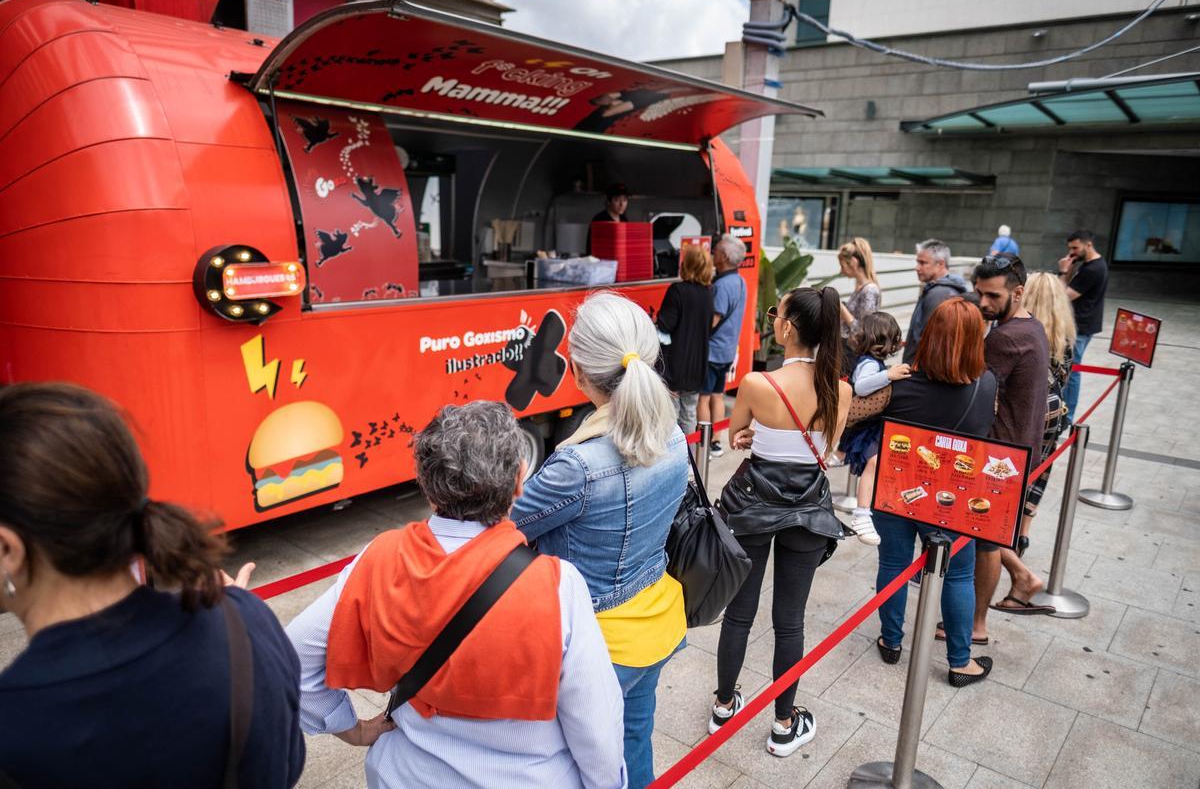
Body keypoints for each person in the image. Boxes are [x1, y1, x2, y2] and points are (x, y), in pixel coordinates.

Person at [287, 401, 626, 789]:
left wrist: (352, 728)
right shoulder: (557, 585)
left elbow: (290, 658)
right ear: (519, 480)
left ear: (428, 488)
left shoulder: (379, 559)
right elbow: (596, 722)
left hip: (405, 776)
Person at [0, 382, 304, 788]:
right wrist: (240, 611)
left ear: (7, 549)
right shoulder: (244, 620)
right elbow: (288, 760)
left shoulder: (16, 727)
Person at [513, 292, 687, 789]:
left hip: (592, 642)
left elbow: (505, 527)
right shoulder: (672, 431)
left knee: (573, 767)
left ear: (577, 372)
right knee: (635, 743)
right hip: (656, 618)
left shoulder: (576, 466)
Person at [708, 287, 850, 757]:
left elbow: (737, 437)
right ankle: (784, 724)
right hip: (809, 511)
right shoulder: (840, 389)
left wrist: (754, 435)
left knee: (740, 613)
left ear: (788, 328)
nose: (773, 320)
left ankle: (724, 707)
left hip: (753, 506)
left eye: (776, 314)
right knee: (790, 621)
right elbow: (826, 452)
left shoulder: (756, 384)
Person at [872, 299, 997, 687]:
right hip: (955, 497)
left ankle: (891, 642)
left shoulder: (901, 385)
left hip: (897, 489)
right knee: (958, 575)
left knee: (893, 562)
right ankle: (960, 662)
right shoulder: (986, 384)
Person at [971, 255, 1052, 640]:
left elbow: (972, 386)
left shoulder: (1004, 338)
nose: (983, 303)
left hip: (1001, 455)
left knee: (984, 539)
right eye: (979, 293)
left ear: (1018, 293)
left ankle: (976, 626)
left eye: (992, 295)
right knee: (984, 531)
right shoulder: (1030, 325)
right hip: (1019, 447)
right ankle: (1023, 577)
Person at [838, 311, 911, 545]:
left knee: (872, 463)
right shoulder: (869, 363)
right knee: (873, 463)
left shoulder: (871, 362)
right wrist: (888, 374)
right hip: (864, 427)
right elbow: (861, 386)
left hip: (865, 426)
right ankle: (861, 514)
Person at [1016, 272, 1075, 554]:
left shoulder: (1021, 332)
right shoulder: (1064, 336)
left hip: (1025, 411)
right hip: (1054, 411)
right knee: (1039, 470)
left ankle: (1005, 527)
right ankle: (1023, 533)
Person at [699, 234, 748, 457]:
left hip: (712, 352)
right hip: (728, 350)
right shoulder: (740, 281)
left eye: (716, 250)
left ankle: (702, 442)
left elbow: (712, 321)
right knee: (718, 396)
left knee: (703, 398)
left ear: (724, 256)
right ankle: (716, 442)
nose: (713, 253)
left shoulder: (721, 285)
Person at [657, 243, 715, 433]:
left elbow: (666, 325)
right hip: (697, 365)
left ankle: (673, 457)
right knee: (689, 414)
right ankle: (687, 457)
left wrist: (654, 320)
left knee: (670, 415)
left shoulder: (677, 291)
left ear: (687, 265)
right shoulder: (708, 293)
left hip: (674, 366)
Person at [1058, 230, 1109, 424]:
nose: (1071, 252)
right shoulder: (1090, 264)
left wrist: (1063, 271)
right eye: (1070, 248)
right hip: (1083, 323)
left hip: (1080, 326)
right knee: (1070, 368)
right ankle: (1066, 410)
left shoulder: (1092, 269)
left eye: (1075, 248)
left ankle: (1068, 416)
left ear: (1088, 245)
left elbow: (1063, 296)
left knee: (1072, 371)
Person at [902, 239, 968, 364]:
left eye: (923, 263)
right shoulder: (939, 290)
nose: (917, 267)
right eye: (917, 262)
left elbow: (931, 342)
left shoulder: (939, 294)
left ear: (941, 264)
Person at [836, 237, 882, 371]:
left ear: (854, 263)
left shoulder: (869, 291)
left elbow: (864, 331)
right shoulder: (861, 287)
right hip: (848, 351)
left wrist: (842, 310)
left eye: (842, 265)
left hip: (854, 355)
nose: (841, 271)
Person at [586, 183, 630, 255]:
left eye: (624, 200)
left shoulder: (624, 219)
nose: (622, 204)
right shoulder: (599, 219)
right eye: (617, 200)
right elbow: (591, 247)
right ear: (609, 202)